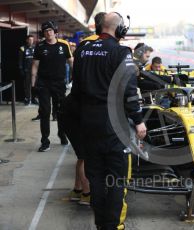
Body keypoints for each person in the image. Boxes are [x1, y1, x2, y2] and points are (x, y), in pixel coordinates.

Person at [72, 12, 146, 229]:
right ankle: (111, 226)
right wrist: (139, 120)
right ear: (119, 29)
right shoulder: (121, 52)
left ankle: (101, 224)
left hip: (88, 121)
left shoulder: (83, 49)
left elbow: (75, 88)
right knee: (116, 179)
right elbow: (129, 91)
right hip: (113, 124)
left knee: (95, 177)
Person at [61, 11, 107, 206]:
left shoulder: (84, 45)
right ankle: (87, 195)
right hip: (76, 110)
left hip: (70, 107)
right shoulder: (106, 46)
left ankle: (78, 190)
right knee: (86, 155)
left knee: (82, 155)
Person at [31, 21, 73, 152]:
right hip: (44, 84)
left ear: (55, 31)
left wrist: (77, 79)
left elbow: (72, 63)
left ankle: (62, 134)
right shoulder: (40, 46)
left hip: (59, 84)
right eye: (45, 31)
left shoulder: (63, 45)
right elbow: (35, 66)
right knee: (45, 112)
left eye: (50, 30)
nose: (48, 33)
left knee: (60, 111)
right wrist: (33, 85)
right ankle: (45, 141)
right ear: (43, 33)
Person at [19, 35, 36, 105]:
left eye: (32, 40)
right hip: (27, 70)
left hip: (34, 71)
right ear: (27, 40)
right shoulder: (23, 48)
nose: (31, 41)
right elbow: (20, 60)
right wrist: (21, 69)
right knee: (27, 86)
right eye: (29, 40)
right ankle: (27, 99)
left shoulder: (36, 48)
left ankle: (33, 99)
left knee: (34, 85)